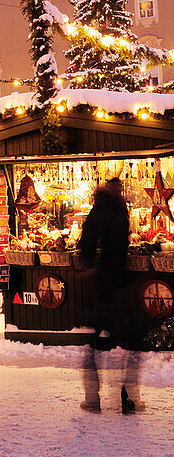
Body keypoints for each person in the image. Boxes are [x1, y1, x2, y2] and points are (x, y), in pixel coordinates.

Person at [78, 176, 141, 414]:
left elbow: (87, 241)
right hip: (122, 280)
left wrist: (89, 263)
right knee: (127, 342)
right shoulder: (119, 208)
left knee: (94, 343)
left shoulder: (102, 206)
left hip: (103, 281)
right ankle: (128, 398)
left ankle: (93, 398)